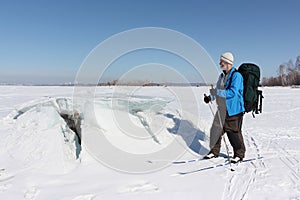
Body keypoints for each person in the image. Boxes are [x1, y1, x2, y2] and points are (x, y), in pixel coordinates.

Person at [203, 52, 246, 163]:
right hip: (222, 109)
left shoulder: (237, 76)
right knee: (215, 130)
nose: (220, 63)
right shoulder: (222, 76)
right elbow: (218, 91)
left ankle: (239, 154)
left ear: (228, 62)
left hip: (234, 109)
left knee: (234, 133)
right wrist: (210, 97)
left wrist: (216, 92)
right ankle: (214, 152)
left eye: (221, 61)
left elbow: (232, 92)